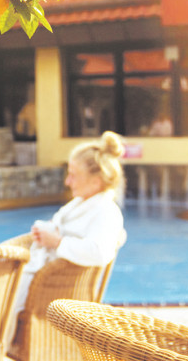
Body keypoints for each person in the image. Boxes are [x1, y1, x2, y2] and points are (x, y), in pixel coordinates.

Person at [11, 131, 128, 325]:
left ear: (95, 181)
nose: (67, 182)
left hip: (54, 293)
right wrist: (46, 232)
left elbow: (99, 252)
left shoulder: (106, 212)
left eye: (73, 176)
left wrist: (57, 242)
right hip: (43, 281)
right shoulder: (79, 204)